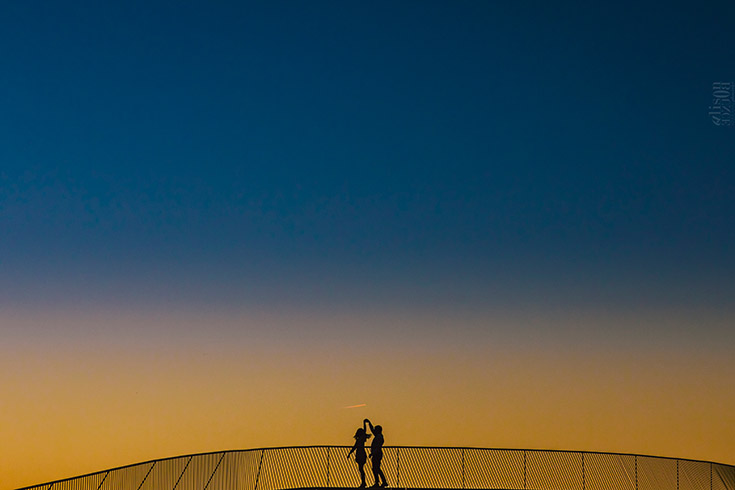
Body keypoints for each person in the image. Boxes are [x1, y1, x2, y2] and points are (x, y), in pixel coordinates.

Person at [347, 420, 372, 488]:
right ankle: (363, 482)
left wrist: (364, 424)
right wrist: (350, 453)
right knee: (361, 469)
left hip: (361, 454)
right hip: (359, 454)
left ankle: (363, 483)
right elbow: (354, 447)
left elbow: (364, 431)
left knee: (361, 469)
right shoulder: (359, 440)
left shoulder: (362, 438)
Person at [365, 418, 388, 487]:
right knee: (376, 468)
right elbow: (373, 430)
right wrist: (369, 423)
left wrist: (372, 453)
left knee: (376, 468)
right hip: (376, 453)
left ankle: (380, 482)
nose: (374, 430)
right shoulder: (378, 436)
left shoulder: (379, 437)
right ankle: (380, 482)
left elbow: (377, 447)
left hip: (377, 454)